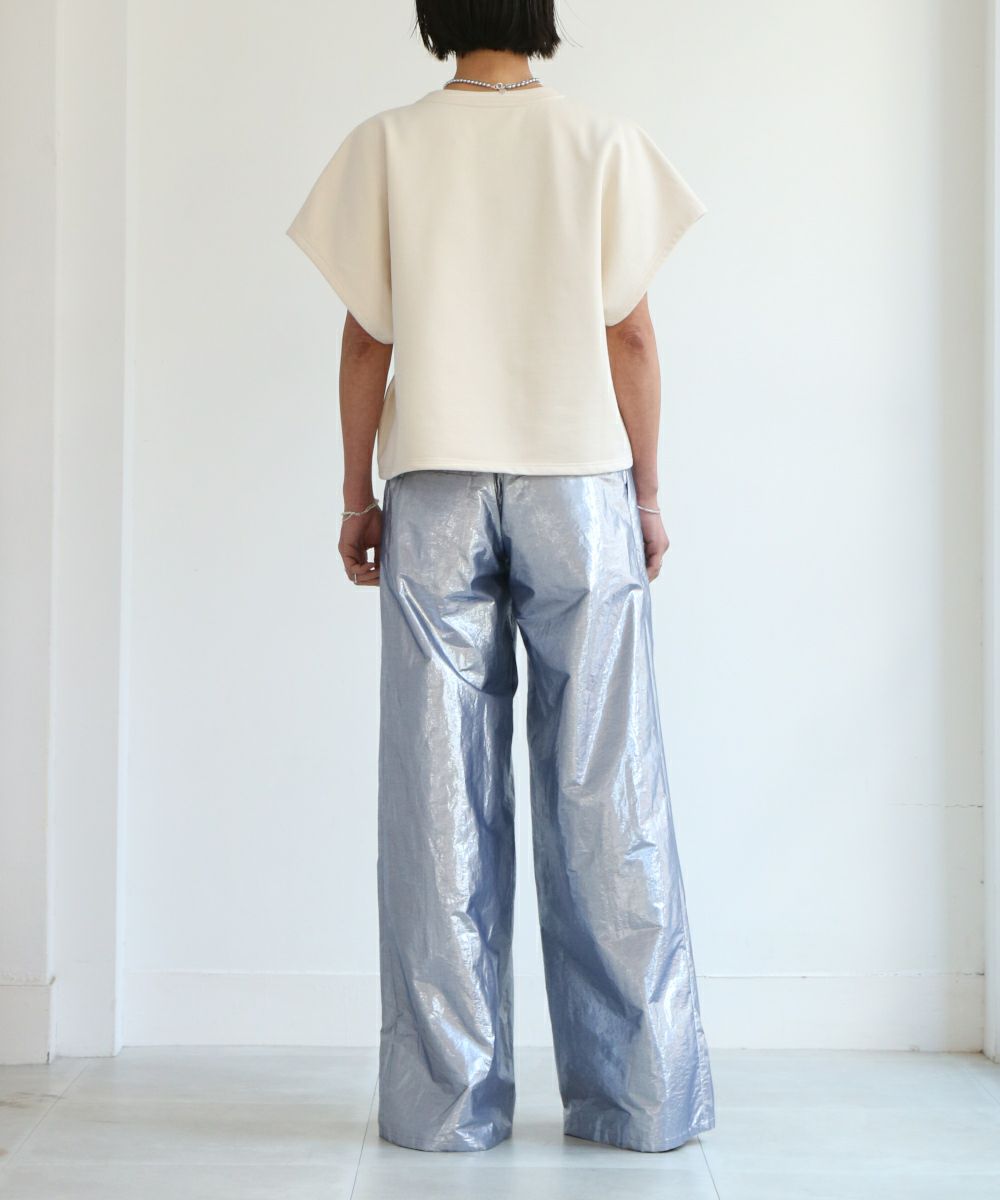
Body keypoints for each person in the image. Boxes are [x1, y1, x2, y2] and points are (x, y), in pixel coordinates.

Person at [286, 0, 715, 1156]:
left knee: (438, 800)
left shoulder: (389, 143)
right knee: (606, 786)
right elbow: (631, 336)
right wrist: (647, 495)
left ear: (435, 12)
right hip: (578, 482)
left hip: (432, 484)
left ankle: (447, 1107)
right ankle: (639, 1101)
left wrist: (355, 495)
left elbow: (366, 338)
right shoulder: (599, 142)